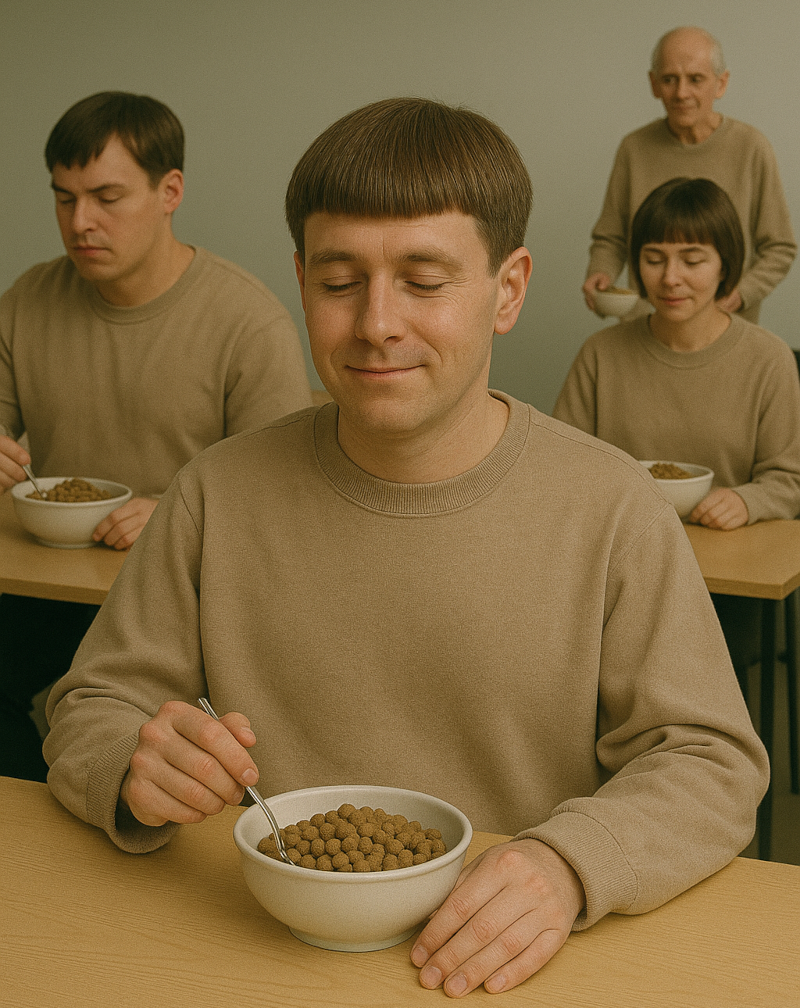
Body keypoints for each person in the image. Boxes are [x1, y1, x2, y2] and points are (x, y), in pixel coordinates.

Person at [45, 98, 767, 999]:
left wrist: (571, 864)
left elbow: (710, 759)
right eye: (339, 282)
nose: (376, 323)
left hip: (513, 965)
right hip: (251, 952)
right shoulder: (213, 493)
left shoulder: (614, 507)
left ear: (507, 290)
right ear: (302, 279)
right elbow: (93, 703)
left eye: (424, 281)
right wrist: (132, 763)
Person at [0, 91, 312, 782]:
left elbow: (289, 497)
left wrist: (174, 509)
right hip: (42, 586)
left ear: (170, 191)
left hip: (176, 604)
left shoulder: (246, 321)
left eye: (107, 197)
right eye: (64, 198)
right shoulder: (27, 299)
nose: (80, 222)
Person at [583, 26, 796, 324]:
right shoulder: (634, 148)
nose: (681, 93)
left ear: (721, 84)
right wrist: (600, 273)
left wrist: (739, 294)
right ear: (654, 84)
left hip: (725, 325)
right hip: (647, 327)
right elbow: (611, 237)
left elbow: (780, 248)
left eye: (695, 79)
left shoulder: (751, 147)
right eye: (669, 80)